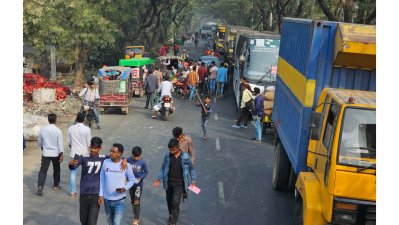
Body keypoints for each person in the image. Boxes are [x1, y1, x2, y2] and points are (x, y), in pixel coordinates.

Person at [153, 138, 197, 225]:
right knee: (169, 200)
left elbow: (191, 170)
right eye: (170, 150)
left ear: (178, 147)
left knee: (175, 201)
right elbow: (163, 167)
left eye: (173, 150)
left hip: (180, 183)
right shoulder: (167, 156)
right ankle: (171, 214)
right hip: (169, 182)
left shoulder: (185, 157)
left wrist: (194, 180)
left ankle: (173, 222)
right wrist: (159, 179)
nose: (171, 152)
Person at [68, 137, 110, 225]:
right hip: (84, 193)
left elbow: (118, 158)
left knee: (92, 222)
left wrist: (124, 160)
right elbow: (73, 166)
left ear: (100, 148)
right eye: (91, 147)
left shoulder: (104, 158)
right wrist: (71, 164)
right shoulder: (83, 157)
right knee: (83, 221)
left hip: (96, 194)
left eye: (95, 148)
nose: (92, 150)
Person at [98, 143, 136, 225]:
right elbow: (101, 179)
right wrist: (100, 194)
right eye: (110, 151)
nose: (111, 153)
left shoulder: (126, 165)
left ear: (119, 154)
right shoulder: (105, 162)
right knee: (110, 222)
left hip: (119, 200)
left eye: (113, 151)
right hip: (107, 200)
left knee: (117, 223)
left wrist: (125, 188)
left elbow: (132, 179)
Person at [37, 113, 64, 196]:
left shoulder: (43, 129)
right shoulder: (58, 131)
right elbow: (60, 143)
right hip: (55, 153)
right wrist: (61, 153)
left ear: (48, 120)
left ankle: (40, 186)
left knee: (43, 170)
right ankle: (56, 185)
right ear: (55, 120)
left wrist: (41, 146)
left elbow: (40, 141)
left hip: (46, 153)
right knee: (56, 169)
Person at [68, 112, 92, 198]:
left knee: (73, 173)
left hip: (75, 154)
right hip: (85, 153)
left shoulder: (71, 128)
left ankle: (73, 192)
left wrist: (73, 149)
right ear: (84, 119)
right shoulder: (87, 129)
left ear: (76, 118)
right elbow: (89, 143)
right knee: (86, 173)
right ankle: (86, 189)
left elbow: (69, 143)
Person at [127, 146, 148, 225]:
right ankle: (136, 215)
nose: (136, 158)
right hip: (130, 184)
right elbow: (123, 161)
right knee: (132, 201)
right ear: (132, 155)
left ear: (140, 155)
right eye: (135, 156)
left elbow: (145, 172)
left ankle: (136, 218)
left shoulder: (143, 162)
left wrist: (140, 178)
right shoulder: (128, 160)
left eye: (138, 156)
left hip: (139, 184)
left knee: (136, 201)